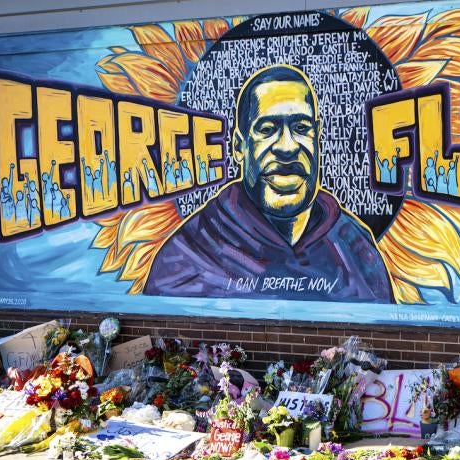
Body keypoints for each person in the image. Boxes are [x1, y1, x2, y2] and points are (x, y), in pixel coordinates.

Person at [144, 65, 393, 303]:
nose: (287, 147)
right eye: (267, 129)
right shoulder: (190, 253)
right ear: (239, 147)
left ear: (318, 138)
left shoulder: (354, 247)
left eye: (300, 127)